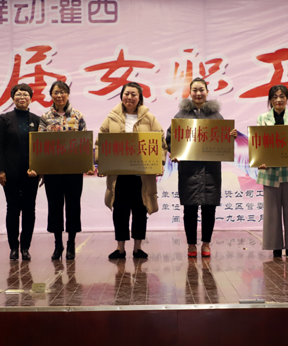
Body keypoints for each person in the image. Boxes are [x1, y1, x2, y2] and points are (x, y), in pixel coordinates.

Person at [166, 77, 237, 258]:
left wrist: (231, 136)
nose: (198, 93)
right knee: (189, 208)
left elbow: (224, 141)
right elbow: (170, 138)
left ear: (207, 92)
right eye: (195, 90)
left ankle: (206, 243)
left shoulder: (216, 116)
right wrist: (174, 152)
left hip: (210, 170)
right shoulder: (181, 116)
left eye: (201, 90)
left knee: (209, 208)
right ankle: (191, 244)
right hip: (189, 170)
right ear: (190, 93)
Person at [97, 82, 167, 260]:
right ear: (121, 96)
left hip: (141, 174)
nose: (129, 97)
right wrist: (101, 163)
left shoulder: (149, 118)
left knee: (140, 210)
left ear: (139, 98)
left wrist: (159, 163)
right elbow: (100, 143)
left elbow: (160, 142)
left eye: (134, 94)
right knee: (119, 211)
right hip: (119, 174)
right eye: (127, 93)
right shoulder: (111, 118)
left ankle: (138, 248)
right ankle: (120, 248)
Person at [39, 80, 91, 261]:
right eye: (56, 92)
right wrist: (40, 168)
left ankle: (71, 243)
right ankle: (57, 244)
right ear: (51, 95)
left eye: (62, 92)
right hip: (52, 171)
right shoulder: (45, 117)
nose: (59, 95)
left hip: (73, 170)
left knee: (73, 206)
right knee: (54, 207)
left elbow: (85, 142)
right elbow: (40, 145)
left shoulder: (77, 116)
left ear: (68, 94)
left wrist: (87, 165)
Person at [256, 85, 288, 258]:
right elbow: (259, 144)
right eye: (274, 97)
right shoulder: (262, 118)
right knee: (272, 212)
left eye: (282, 96)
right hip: (269, 171)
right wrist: (260, 161)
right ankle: (275, 247)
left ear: (287, 98)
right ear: (270, 100)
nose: (278, 100)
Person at [0, 83, 41, 261]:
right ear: (13, 98)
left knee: (29, 210)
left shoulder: (37, 120)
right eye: (18, 94)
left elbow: (41, 147)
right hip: (10, 173)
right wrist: (0, 170)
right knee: (13, 209)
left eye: (25, 94)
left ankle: (26, 247)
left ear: (31, 98)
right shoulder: (5, 118)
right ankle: (13, 247)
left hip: (31, 173)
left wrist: (40, 169)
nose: (22, 97)